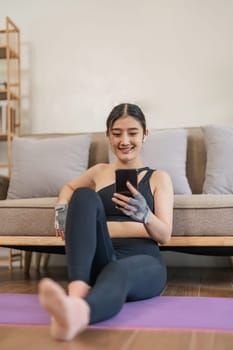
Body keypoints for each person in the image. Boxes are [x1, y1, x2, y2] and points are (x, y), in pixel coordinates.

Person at [38, 103, 174, 341]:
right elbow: (69, 188)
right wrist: (61, 212)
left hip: (143, 263)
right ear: (108, 135)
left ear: (145, 135)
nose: (124, 140)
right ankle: (77, 292)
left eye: (132, 133)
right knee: (83, 195)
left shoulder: (159, 178)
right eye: (117, 133)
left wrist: (146, 216)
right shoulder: (98, 172)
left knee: (117, 270)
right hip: (100, 257)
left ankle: (77, 314)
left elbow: (164, 235)